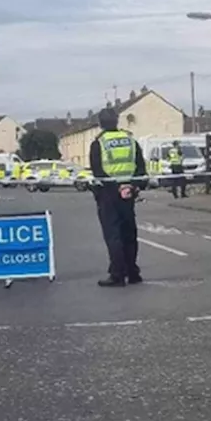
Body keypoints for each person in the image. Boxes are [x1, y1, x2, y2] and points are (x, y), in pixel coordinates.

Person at [88, 108, 148, 287]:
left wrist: (116, 187)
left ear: (100, 123)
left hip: (109, 194)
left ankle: (117, 275)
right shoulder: (131, 140)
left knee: (113, 235)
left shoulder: (99, 143)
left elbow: (98, 172)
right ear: (117, 121)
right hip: (129, 193)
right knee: (129, 234)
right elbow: (140, 167)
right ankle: (133, 272)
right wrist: (133, 186)